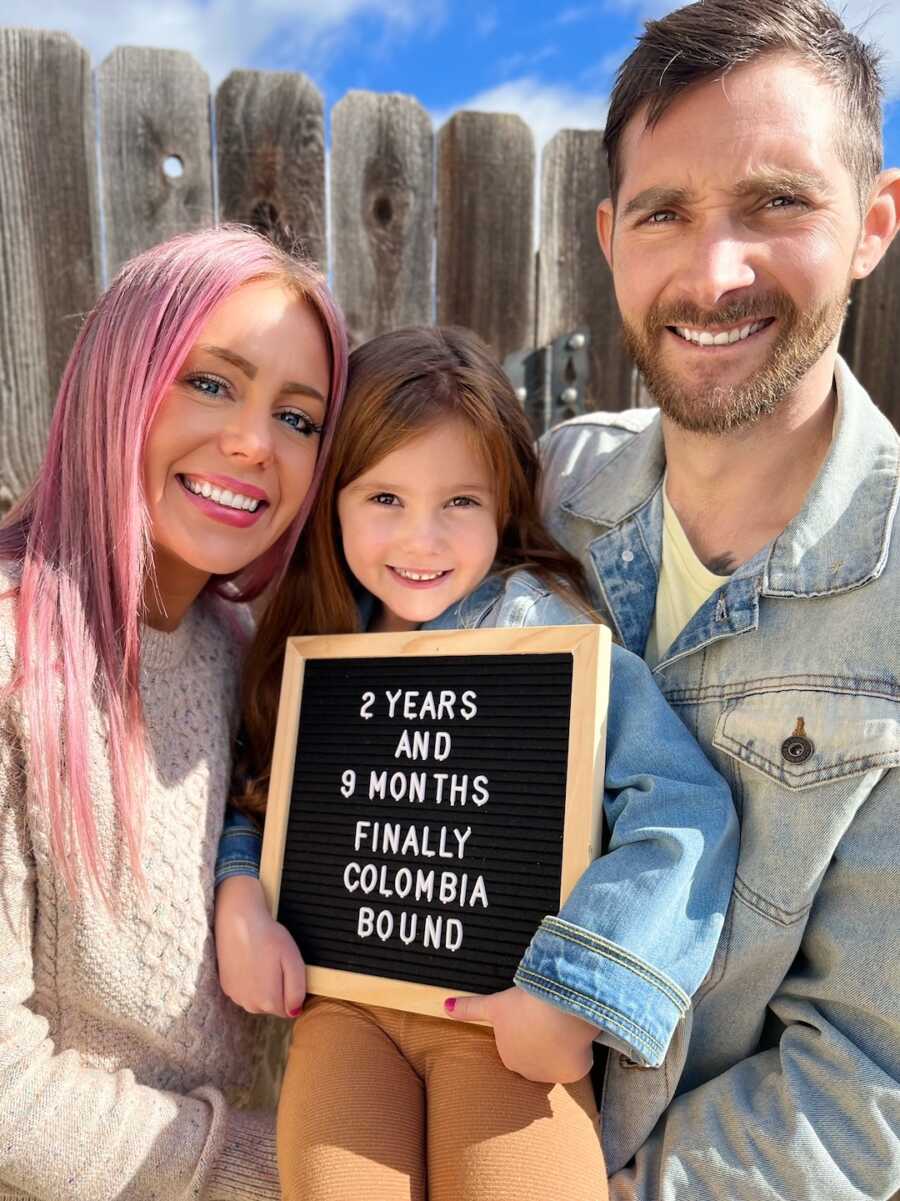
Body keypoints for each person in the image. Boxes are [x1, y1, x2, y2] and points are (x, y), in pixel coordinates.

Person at [213, 324, 738, 1201]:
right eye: (383, 498)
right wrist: (241, 896)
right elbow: (262, 795)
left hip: (501, 1013)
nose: (422, 540)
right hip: (347, 1004)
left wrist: (576, 991)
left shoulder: (546, 642)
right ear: (331, 500)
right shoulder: (318, 643)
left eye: (459, 501)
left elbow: (682, 808)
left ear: (504, 503)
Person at [537, 2, 900, 1198]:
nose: (713, 271)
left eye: (777, 203)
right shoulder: (538, 497)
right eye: (665, 213)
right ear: (608, 235)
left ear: (873, 224)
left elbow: (865, 1085)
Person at [0, 224, 348, 1201]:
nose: (252, 441)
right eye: (210, 381)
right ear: (123, 377)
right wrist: (285, 1176)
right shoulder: (13, 651)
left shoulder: (247, 658)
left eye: (299, 416)